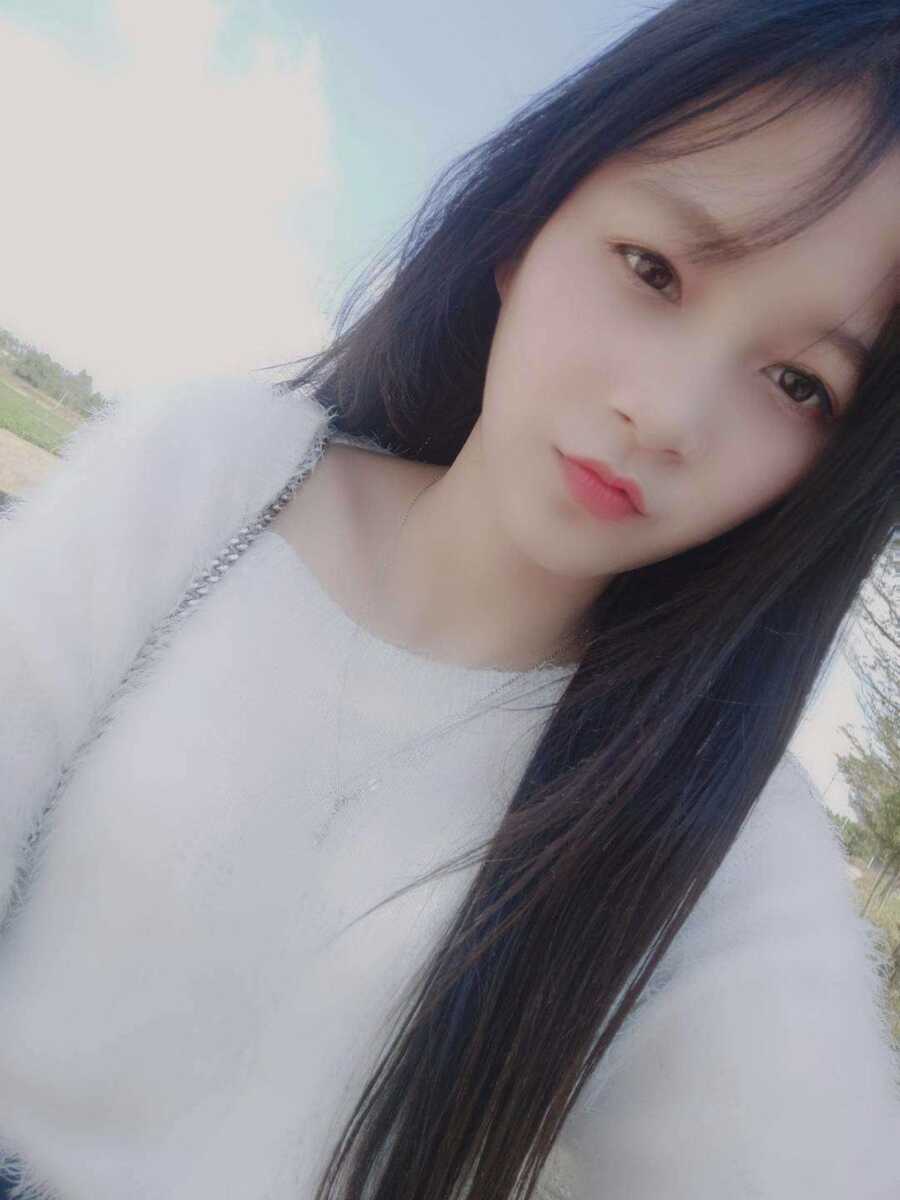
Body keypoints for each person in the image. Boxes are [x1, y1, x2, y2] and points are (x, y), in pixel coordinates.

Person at [1, 0, 899, 1196]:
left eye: (796, 382)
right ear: (528, 225)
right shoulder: (210, 480)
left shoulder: (713, 824)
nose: (667, 414)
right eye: (654, 270)